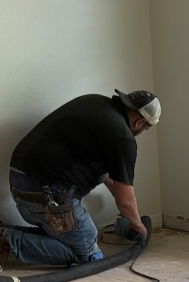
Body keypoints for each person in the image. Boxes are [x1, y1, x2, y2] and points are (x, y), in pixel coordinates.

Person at [0, 89, 160, 271]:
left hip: (21, 187)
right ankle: (6, 239)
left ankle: (5, 232)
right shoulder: (123, 137)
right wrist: (137, 224)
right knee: (88, 255)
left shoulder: (95, 103)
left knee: (68, 239)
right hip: (47, 196)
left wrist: (124, 206)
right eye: (145, 129)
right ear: (140, 122)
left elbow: (103, 173)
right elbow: (125, 201)